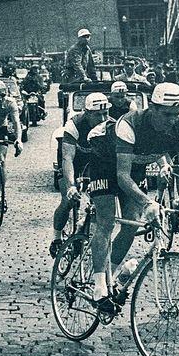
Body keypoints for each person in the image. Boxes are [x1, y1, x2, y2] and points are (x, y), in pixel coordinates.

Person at [112, 83, 179, 285]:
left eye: (176, 113)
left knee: (130, 224)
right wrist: (147, 202)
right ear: (152, 108)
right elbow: (122, 176)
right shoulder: (132, 123)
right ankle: (99, 282)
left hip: (137, 167)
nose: (173, 120)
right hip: (109, 163)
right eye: (167, 114)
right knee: (105, 221)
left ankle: (110, 274)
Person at [49, 93, 113, 258]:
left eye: (105, 113)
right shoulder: (74, 125)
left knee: (100, 200)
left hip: (95, 161)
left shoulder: (110, 124)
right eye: (98, 114)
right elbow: (67, 158)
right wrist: (71, 185)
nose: (103, 118)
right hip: (74, 160)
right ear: (86, 112)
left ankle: (83, 226)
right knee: (68, 200)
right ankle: (56, 237)